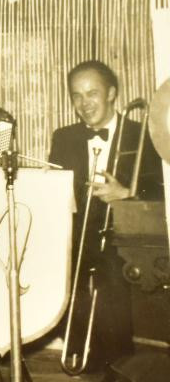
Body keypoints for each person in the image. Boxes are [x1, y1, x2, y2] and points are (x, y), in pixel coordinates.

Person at [49, 60, 164, 374]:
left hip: (124, 238)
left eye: (92, 93)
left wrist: (126, 193)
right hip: (77, 235)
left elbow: (162, 192)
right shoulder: (64, 137)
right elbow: (55, 189)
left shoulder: (143, 134)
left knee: (113, 278)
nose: (84, 103)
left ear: (111, 93)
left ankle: (120, 361)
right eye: (77, 95)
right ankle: (86, 353)